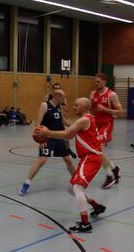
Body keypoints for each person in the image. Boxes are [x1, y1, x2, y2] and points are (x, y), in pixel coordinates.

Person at [35, 98, 106, 233]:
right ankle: (97, 206)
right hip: (89, 158)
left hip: (90, 158)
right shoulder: (88, 119)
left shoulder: (84, 120)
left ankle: (85, 223)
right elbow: (70, 135)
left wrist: (47, 133)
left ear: (84, 108)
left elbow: (67, 133)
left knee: (77, 188)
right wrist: (52, 133)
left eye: (76, 105)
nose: (74, 107)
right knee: (71, 189)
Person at [19, 89, 75, 196]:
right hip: (48, 138)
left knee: (68, 160)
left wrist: (74, 126)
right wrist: (41, 139)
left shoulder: (59, 107)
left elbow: (62, 121)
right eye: (63, 97)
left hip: (59, 136)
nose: (64, 100)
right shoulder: (45, 105)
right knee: (42, 160)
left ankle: (77, 182)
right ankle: (26, 184)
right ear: (57, 96)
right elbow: (38, 124)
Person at [90, 73, 123, 189]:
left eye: (98, 81)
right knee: (97, 151)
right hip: (96, 124)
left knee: (98, 151)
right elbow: (92, 109)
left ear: (104, 81)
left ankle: (110, 176)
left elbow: (120, 112)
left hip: (106, 124)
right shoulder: (93, 94)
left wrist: (104, 109)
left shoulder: (111, 95)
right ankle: (114, 168)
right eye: (95, 81)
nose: (96, 83)